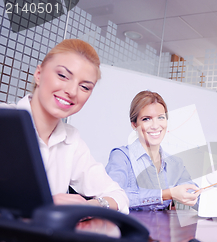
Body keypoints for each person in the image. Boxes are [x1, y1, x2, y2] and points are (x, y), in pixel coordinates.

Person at [2, 39, 128, 214]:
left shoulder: (72, 141)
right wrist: (41, 204)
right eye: (62, 76)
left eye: (84, 87)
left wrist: (89, 206)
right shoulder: (4, 121)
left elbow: (119, 196)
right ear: (38, 74)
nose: (72, 91)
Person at [105, 90, 200, 210]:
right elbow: (111, 197)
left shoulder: (175, 163)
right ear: (134, 124)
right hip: (129, 227)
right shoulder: (121, 156)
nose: (155, 125)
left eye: (161, 117)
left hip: (162, 228)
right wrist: (166, 194)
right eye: (146, 119)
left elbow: (195, 195)